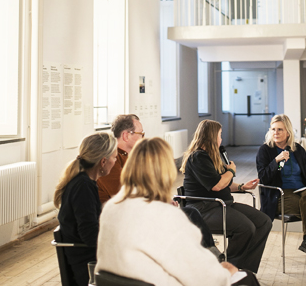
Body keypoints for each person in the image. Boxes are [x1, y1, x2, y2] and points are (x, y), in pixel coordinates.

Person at [97, 138, 259, 286]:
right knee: (245, 278)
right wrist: (226, 271)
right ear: (167, 172)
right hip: (154, 281)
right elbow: (203, 276)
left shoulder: (111, 208)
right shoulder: (167, 216)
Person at [98, 114, 219, 256]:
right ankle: (206, 258)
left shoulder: (131, 156)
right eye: (140, 133)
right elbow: (124, 197)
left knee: (190, 214)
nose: (143, 137)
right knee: (185, 220)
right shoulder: (112, 160)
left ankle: (209, 255)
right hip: (126, 221)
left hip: (138, 213)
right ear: (126, 136)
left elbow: (144, 190)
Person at [181, 120, 271, 273]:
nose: (221, 139)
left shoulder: (212, 157)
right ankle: (226, 269)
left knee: (264, 222)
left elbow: (225, 184)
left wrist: (242, 186)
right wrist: (232, 171)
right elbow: (217, 185)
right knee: (245, 228)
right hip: (203, 209)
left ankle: (244, 269)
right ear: (211, 137)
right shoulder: (198, 158)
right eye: (219, 135)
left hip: (221, 204)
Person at [256, 114, 306, 278]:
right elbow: (263, 178)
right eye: (273, 129)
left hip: (303, 192)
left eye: (280, 129)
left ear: (288, 132)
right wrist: (276, 161)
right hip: (280, 195)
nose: (276, 132)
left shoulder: (298, 149)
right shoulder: (265, 150)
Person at [54, 132, 118, 286]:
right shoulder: (83, 186)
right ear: (103, 161)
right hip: (88, 264)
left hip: (89, 257)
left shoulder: (84, 182)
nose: (115, 161)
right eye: (115, 157)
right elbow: (90, 234)